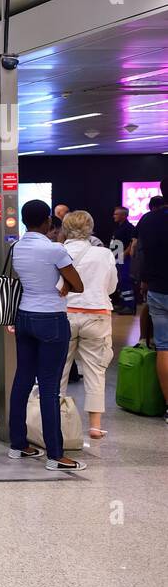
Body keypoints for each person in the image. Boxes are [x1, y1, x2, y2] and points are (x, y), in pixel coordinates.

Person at [8, 199, 87, 471]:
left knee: (22, 380)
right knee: (50, 387)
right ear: (48, 222)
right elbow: (77, 283)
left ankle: (18, 445)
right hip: (51, 319)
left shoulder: (17, 247)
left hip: (25, 316)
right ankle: (55, 455)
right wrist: (64, 283)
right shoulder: (54, 249)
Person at [57, 211, 118, 440]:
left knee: (58, 369)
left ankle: (56, 422)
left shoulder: (58, 251)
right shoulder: (103, 254)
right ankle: (94, 426)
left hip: (64, 314)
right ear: (90, 228)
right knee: (96, 370)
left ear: (64, 228)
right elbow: (111, 287)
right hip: (98, 314)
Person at [133, 178, 168, 422]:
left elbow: (141, 253)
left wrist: (143, 281)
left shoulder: (148, 220)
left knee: (164, 347)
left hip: (157, 288)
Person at [108, 206, 138, 314]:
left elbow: (132, 242)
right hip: (117, 259)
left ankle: (130, 306)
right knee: (120, 282)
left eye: (116, 214)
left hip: (124, 259)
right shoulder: (119, 227)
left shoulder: (129, 227)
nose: (114, 216)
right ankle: (123, 304)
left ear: (123, 215)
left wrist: (124, 254)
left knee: (125, 280)